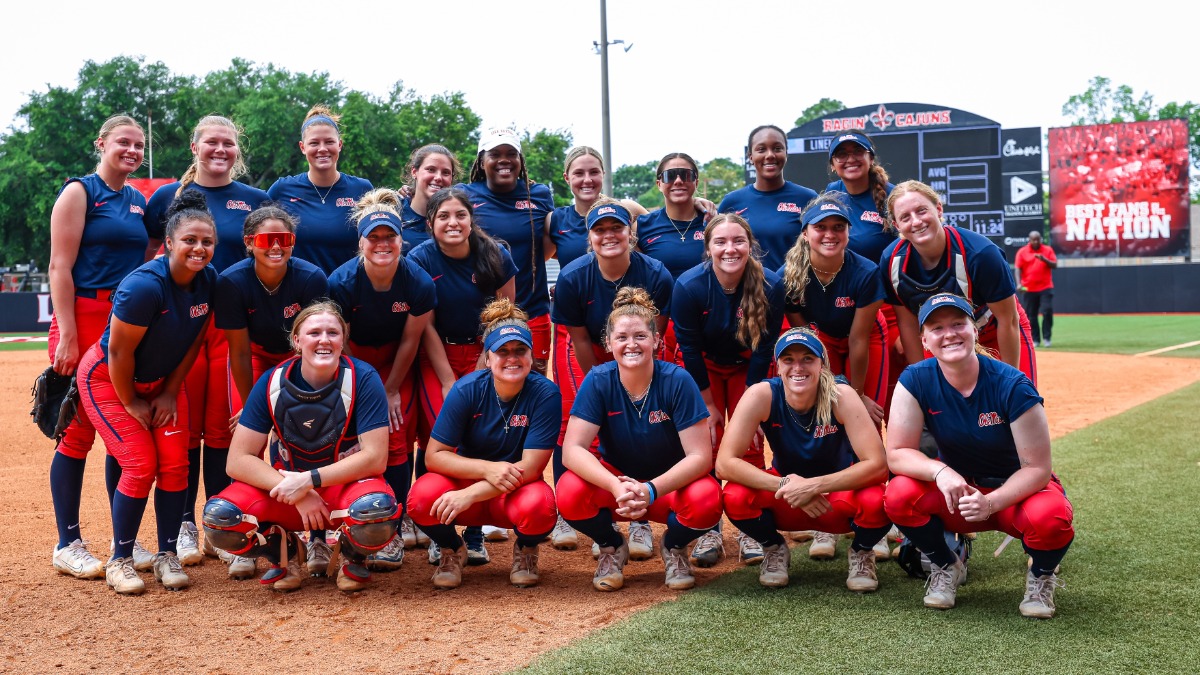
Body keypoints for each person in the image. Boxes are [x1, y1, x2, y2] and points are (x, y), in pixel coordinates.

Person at [884, 293, 1073, 618]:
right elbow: (898, 454)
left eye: (958, 324)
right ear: (924, 340)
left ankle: (1041, 576)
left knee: (1051, 517)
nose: (949, 334)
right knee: (898, 494)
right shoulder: (915, 379)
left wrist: (992, 502)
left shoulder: (1012, 384)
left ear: (974, 330)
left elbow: (1038, 469)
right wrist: (940, 472)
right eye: (937, 328)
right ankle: (947, 565)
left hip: (1014, 495)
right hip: (960, 494)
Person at [201, 301, 400, 594]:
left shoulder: (363, 377)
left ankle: (351, 556)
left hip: (342, 490)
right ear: (296, 340)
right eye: (314, 332)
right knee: (220, 518)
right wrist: (299, 493)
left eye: (333, 333)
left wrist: (309, 480)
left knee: (376, 511)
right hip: (287, 491)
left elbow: (375, 457)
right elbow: (237, 461)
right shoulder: (272, 381)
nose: (324, 340)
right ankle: (284, 552)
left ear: (343, 339)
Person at [143, 115, 269, 576]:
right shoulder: (165, 197)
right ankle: (182, 525)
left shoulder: (255, 200)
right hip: (178, 325)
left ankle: (222, 523)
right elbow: (149, 260)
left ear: (238, 150)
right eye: (211, 142)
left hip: (232, 329)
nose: (220, 150)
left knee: (224, 430)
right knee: (184, 427)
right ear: (194, 146)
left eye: (229, 144)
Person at [76, 190, 218, 594]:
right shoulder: (143, 286)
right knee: (140, 464)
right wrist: (130, 401)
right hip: (109, 379)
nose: (199, 248)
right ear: (169, 242)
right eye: (190, 240)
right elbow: (119, 351)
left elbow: (193, 341)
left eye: (206, 242)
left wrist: (171, 391)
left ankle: (167, 554)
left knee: (175, 464)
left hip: (160, 382)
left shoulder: (209, 283)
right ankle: (120, 559)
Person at [558, 288, 721, 592]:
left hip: (668, 487)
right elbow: (572, 450)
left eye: (640, 336)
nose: (631, 344)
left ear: (656, 340)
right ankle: (611, 545)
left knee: (707, 499)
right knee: (569, 491)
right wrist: (616, 486)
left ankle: (673, 547)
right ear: (608, 343)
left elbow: (700, 457)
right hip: (618, 488)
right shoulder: (598, 379)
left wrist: (650, 489)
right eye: (621, 337)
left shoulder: (677, 380)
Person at [47, 115, 153, 580]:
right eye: (123, 143)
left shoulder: (137, 200)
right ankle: (67, 541)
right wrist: (67, 331)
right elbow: (58, 266)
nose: (131, 150)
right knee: (76, 432)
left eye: (138, 145)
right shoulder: (80, 192)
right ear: (102, 143)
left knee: (118, 430)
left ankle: (120, 540)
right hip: (84, 316)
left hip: (121, 323)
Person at [717, 329, 890, 590]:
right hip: (787, 498)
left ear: (822, 365)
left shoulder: (841, 395)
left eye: (807, 358)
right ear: (777, 367)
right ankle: (773, 548)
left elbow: (878, 465)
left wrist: (814, 486)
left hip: (835, 498)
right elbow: (724, 464)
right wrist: (788, 485)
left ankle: (862, 552)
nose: (798, 367)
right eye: (788, 360)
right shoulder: (762, 394)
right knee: (735, 496)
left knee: (878, 500)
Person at [406, 299, 560, 589]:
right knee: (422, 496)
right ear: (487, 359)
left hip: (515, 491)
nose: (511, 358)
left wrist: (472, 494)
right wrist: (487, 470)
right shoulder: (468, 389)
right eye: (502, 352)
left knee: (540, 506)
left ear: (531, 355)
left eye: (520, 350)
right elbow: (435, 457)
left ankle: (526, 549)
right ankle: (452, 549)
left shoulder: (546, 393)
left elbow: (530, 467)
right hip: (468, 482)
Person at [551, 200, 674, 560]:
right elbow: (579, 339)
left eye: (616, 228)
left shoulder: (655, 273)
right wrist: (602, 386)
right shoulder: (574, 276)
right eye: (600, 230)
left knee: (643, 422)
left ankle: (639, 518)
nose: (609, 235)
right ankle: (585, 514)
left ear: (630, 232)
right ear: (589, 237)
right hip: (592, 352)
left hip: (640, 349)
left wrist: (631, 379)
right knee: (575, 423)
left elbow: (656, 335)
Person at [215, 204, 330, 575]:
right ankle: (248, 538)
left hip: (299, 357)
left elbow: (313, 340)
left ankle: (317, 539)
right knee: (245, 442)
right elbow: (239, 349)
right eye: (267, 240)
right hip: (255, 360)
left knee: (306, 434)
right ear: (250, 243)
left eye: (285, 239)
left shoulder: (311, 278)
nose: (276, 247)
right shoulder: (232, 281)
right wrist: (253, 408)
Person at [328, 189, 437, 572]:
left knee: (396, 431)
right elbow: (341, 340)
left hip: (396, 360)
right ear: (361, 242)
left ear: (401, 240)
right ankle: (346, 520)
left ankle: (396, 519)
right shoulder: (342, 281)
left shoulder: (417, 281)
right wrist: (367, 391)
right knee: (349, 435)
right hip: (354, 359)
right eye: (373, 237)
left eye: (389, 236)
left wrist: (389, 389)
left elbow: (411, 339)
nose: (382, 244)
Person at [407, 188, 517, 558]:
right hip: (438, 353)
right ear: (430, 224)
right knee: (439, 438)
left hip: (486, 353)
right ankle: (440, 531)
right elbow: (426, 326)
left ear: (471, 220)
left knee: (478, 437)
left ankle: (473, 532)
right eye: (443, 217)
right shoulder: (420, 257)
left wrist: (484, 363)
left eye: (460, 215)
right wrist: (448, 380)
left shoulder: (495, 254)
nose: (452, 223)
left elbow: (506, 317)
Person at [781, 195, 892, 561]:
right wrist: (823, 379)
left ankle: (873, 523)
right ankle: (822, 523)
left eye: (838, 227)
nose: (830, 234)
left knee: (863, 423)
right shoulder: (791, 274)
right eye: (821, 227)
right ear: (806, 232)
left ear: (849, 231)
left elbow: (859, 339)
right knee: (819, 419)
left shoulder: (864, 271)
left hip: (864, 340)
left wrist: (854, 394)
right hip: (818, 341)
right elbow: (802, 334)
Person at [672, 213, 784, 567]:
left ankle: (749, 527)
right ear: (707, 248)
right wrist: (706, 403)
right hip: (702, 365)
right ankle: (709, 528)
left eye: (738, 241)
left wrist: (747, 405)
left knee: (747, 439)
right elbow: (688, 348)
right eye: (720, 242)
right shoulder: (690, 285)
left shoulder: (770, 284)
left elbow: (765, 347)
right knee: (705, 437)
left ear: (750, 245)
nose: (730, 249)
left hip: (745, 365)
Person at [882, 180, 1038, 385]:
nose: (916, 221)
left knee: (1018, 407)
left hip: (993, 329)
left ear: (938, 209)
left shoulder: (980, 254)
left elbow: (1008, 320)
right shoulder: (892, 261)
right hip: (942, 338)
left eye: (922, 211)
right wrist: (921, 380)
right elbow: (908, 324)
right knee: (944, 408)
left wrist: (1011, 385)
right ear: (896, 225)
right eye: (905, 217)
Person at [458, 127, 555, 375]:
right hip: (483, 316)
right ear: (481, 161)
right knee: (486, 390)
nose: (504, 159)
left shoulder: (540, 194)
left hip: (532, 312)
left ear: (520, 160)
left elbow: (548, 244)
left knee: (534, 388)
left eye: (511, 153)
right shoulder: (464, 195)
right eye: (495, 153)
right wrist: (405, 192)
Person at [825, 131, 904, 426]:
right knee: (840, 401)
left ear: (871, 157)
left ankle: (901, 463)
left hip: (889, 308)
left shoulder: (893, 197)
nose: (850, 159)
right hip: (840, 308)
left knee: (895, 397)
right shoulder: (830, 196)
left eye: (857, 152)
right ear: (833, 164)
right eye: (841, 154)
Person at [266, 105, 374, 274]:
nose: (322, 149)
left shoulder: (362, 188)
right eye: (314, 143)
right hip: (300, 292)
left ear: (339, 145)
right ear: (303, 147)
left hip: (349, 291)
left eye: (329, 142)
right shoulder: (282, 189)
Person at [718, 124, 818, 270]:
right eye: (761, 149)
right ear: (750, 157)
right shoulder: (732, 202)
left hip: (796, 289)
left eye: (777, 148)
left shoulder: (808, 198)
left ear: (786, 153)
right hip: (748, 290)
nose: (770, 155)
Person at [399, 145, 461, 257]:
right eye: (431, 170)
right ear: (414, 172)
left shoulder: (459, 221)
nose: (438, 177)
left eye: (445, 172)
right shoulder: (394, 213)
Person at [1014, 230, 1057, 348]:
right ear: (1030, 240)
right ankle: (1036, 339)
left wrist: (1044, 259)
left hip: (1045, 287)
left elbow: (1055, 265)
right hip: (1029, 288)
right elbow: (1018, 269)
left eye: (1038, 239)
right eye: (1034, 239)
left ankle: (1047, 338)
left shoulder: (1047, 250)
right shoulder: (1022, 252)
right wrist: (1019, 284)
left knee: (1047, 311)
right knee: (1031, 315)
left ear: (1040, 239)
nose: (1036, 241)